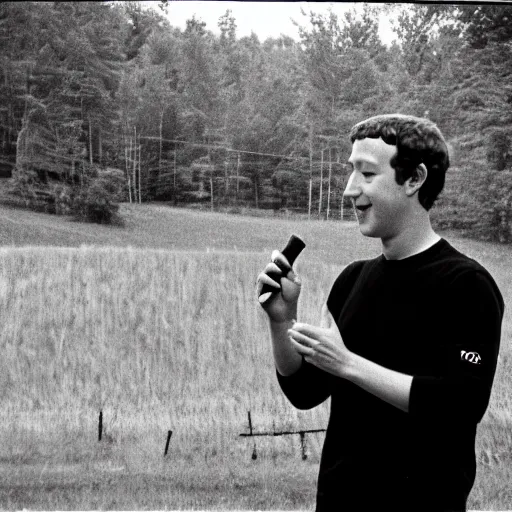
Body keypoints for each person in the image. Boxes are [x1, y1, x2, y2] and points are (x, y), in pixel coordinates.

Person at [256, 114, 504, 512]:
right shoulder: (353, 280)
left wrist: (349, 364)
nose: (349, 189)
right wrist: (281, 320)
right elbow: (305, 391)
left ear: (414, 179)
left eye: (367, 174)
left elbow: (460, 405)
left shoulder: (467, 285)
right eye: (351, 172)